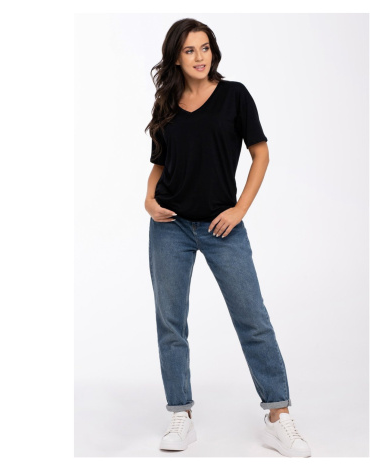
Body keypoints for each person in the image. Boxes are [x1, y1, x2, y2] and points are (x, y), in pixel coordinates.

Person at [144, 18, 311, 458]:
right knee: (171, 322)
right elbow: (159, 163)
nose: (200, 57)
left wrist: (240, 209)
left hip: (223, 227)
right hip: (170, 226)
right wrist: (148, 199)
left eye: (205, 48)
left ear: (213, 51)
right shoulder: (167, 103)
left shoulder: (235, 95)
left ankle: (278, 415)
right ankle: (180, 414)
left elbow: (261, 153)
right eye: (189, 50)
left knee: (252, 319)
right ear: (175, 58)